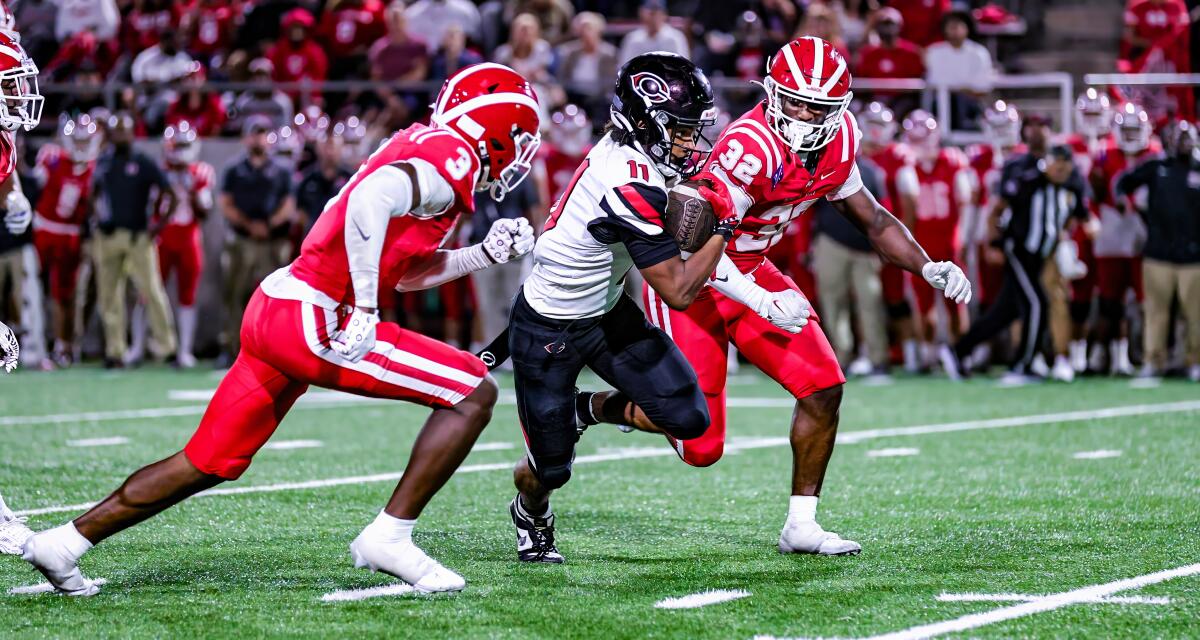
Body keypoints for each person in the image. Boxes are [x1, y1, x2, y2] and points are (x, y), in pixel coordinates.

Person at [16, 63, 543, 597]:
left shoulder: (425, 147)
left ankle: (63, 543)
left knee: (207, 461)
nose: (521, 153)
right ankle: (390, 536)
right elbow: (370, 201)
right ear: (495, 127)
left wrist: (479, 256)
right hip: (318, 317)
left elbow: (401, 271)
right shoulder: (450, 155)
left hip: (280, 303)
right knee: (473, 392)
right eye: (520, 138)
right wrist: (362, 307)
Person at [606, 39, 971, 557]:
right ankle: (594, 408)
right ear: (773, 92)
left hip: (754, 271)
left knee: (823, 387)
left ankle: (801, 524)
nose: (802, 114)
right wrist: (758, 298)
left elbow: (872, 218)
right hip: (699, 278)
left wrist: (929, 265)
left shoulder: (840, 140)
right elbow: (695, 241)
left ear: (838, 109)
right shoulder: (749, 146)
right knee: (699, 445)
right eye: (794, 101)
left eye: (815, 106)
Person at [505, 53, 736, 564]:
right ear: (645, 120)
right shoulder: (625, 178)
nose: (690, 141)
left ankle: (586, 408)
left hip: (605, 311)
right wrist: (724, 228)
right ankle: (530, 512)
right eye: (680, 128)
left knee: (688, 417)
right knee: (549, 471)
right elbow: (678, 290)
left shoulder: (637, 155)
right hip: (548, 327)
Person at [944, 144, 1088, 384]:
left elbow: (1078, 215)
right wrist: (992, 242)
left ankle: (958, 351)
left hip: (1041, 256)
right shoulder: (1028, 182)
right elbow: (997, 210)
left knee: (1004, 312)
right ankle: (1023, 365)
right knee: (1037, 304)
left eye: (1065, 168)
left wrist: (1065, 240)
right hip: (1019, 251)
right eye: (1057, 167)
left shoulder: (1071, 185)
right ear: (1048, 163)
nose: (1061, 172)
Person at [91, 113, 178, 368]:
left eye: (124, 130)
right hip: (108, 236)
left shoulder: (143, 162)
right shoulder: (104, 162)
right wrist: (96, 219)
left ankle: (167, 347)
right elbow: (93, 194)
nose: (119, 135)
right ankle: (114, 350)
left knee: (152, 290)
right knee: (109, 296)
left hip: (138, 236)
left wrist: (157, 226)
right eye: (116, 130)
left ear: (132, 133)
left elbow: (170, 194)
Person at [1116, 120, 1200, 381]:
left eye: (1188, 137)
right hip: (1158, 252)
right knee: (1156, 312)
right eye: (1179, 137)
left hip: (1194, 255)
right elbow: (1122, 183)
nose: (1184, 142)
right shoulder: (1156, 166)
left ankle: (1194, 360)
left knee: (1196, 314)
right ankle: (1154, 361)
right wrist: (1126, 205)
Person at [1089, 103, 1160, 376]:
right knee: (1110, 299)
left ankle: (1144, 353)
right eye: (1126, 129)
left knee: (1145, 300)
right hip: (1112, 231)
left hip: (1144, 231)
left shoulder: (1154, 154)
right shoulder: (1105, 154)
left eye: (1135, 130)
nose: (1130, 135)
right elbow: (1094, 194)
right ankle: (1116, 355)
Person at [900, 110, 974, 371]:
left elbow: (966, 201)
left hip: (948, 241)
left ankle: (960, 352)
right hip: (922, 244)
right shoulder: (907, 168)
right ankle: (928, 355)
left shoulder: (953, 161)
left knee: (956, 302)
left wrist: (963, 237)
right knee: (924, 306)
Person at [218, 116, 296, 364]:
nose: (258, 138)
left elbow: (289, 204)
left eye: (262, 133)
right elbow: (225, 204)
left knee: (276, 298)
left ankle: (276, 349)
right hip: (242, 238)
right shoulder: (233, 169)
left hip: (273, 240)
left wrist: (269, 224)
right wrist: (249, 224)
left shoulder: (282, 169)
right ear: (245, 137)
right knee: (235, 293)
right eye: (254, 133)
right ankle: (231, 346)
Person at [32, 117, 99, 366]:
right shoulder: (51, 157)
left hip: (71, 234)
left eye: (85, 140)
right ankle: (33, 341)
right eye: (77, 140)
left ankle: (64, 345)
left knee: (65, 294)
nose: (81, 145)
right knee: (35, 288)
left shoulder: (94, 168)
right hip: (44, 228)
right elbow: (33, 186)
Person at [860, 101, 921, 372]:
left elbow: (909, 202)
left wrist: (898, 241)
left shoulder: (899, 156)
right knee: (865, 300)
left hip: (887, 236)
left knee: (897, 298)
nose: (874, 132)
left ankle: (911, 352)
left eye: (880, 126)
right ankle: (868, 351)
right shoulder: (855, 154)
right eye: (871, 125)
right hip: (861, 240)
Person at [155, 122, 214, 369]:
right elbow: (152, 207)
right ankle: (141, 346)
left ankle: (185, 350)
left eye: (183, 145)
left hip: (189, 237)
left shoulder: (200, 172)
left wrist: (190, 191)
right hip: (162, 237)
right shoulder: (159, 171)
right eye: (176, 145)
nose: (179, 151)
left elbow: (205, 211)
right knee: (148, 294)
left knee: (187, 295)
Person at [923, 10, 995, 131]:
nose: (955, 30)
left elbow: (982, 88)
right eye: (951, 26)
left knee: (962, 103)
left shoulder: (979, 53)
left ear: (967, 28)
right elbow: (935, 83)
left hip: (971, 103)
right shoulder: (934, 52)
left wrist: (961, 91)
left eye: (958, 25)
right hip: (942, 102)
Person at [295, 126, 353, 236]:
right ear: (318, 149)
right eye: (326, 147)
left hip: (341, 239)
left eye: (334, 147)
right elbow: (299, 213)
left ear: (341, 149)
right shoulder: (306, 179)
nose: (329, 152)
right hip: (314, 239)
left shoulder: (352, 179)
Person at [555, 12, 619, 99]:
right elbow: (562, 78)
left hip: (599, 97)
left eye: (589, 28)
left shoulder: (610, 54)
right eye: (581, 29)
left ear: (598, 31)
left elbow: (611, 82)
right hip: (573, 94)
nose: (585, 33)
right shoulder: (569, 52)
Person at [231, 58, 295, 131]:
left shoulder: (283, 102)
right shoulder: (242, 102)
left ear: (271, 77)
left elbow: (288, 127)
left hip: (276, 139)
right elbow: (237, 128)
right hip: (248, 140)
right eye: (256, 75)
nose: (260, 79)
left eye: (264, 75)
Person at [618, 0, 688, 64]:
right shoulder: (632, 39)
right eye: (651, 13)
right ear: (641, 13)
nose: (654, 16)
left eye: (657, 11)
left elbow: (683, 67)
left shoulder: (675, 38)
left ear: (665, 14)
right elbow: (624, 68)